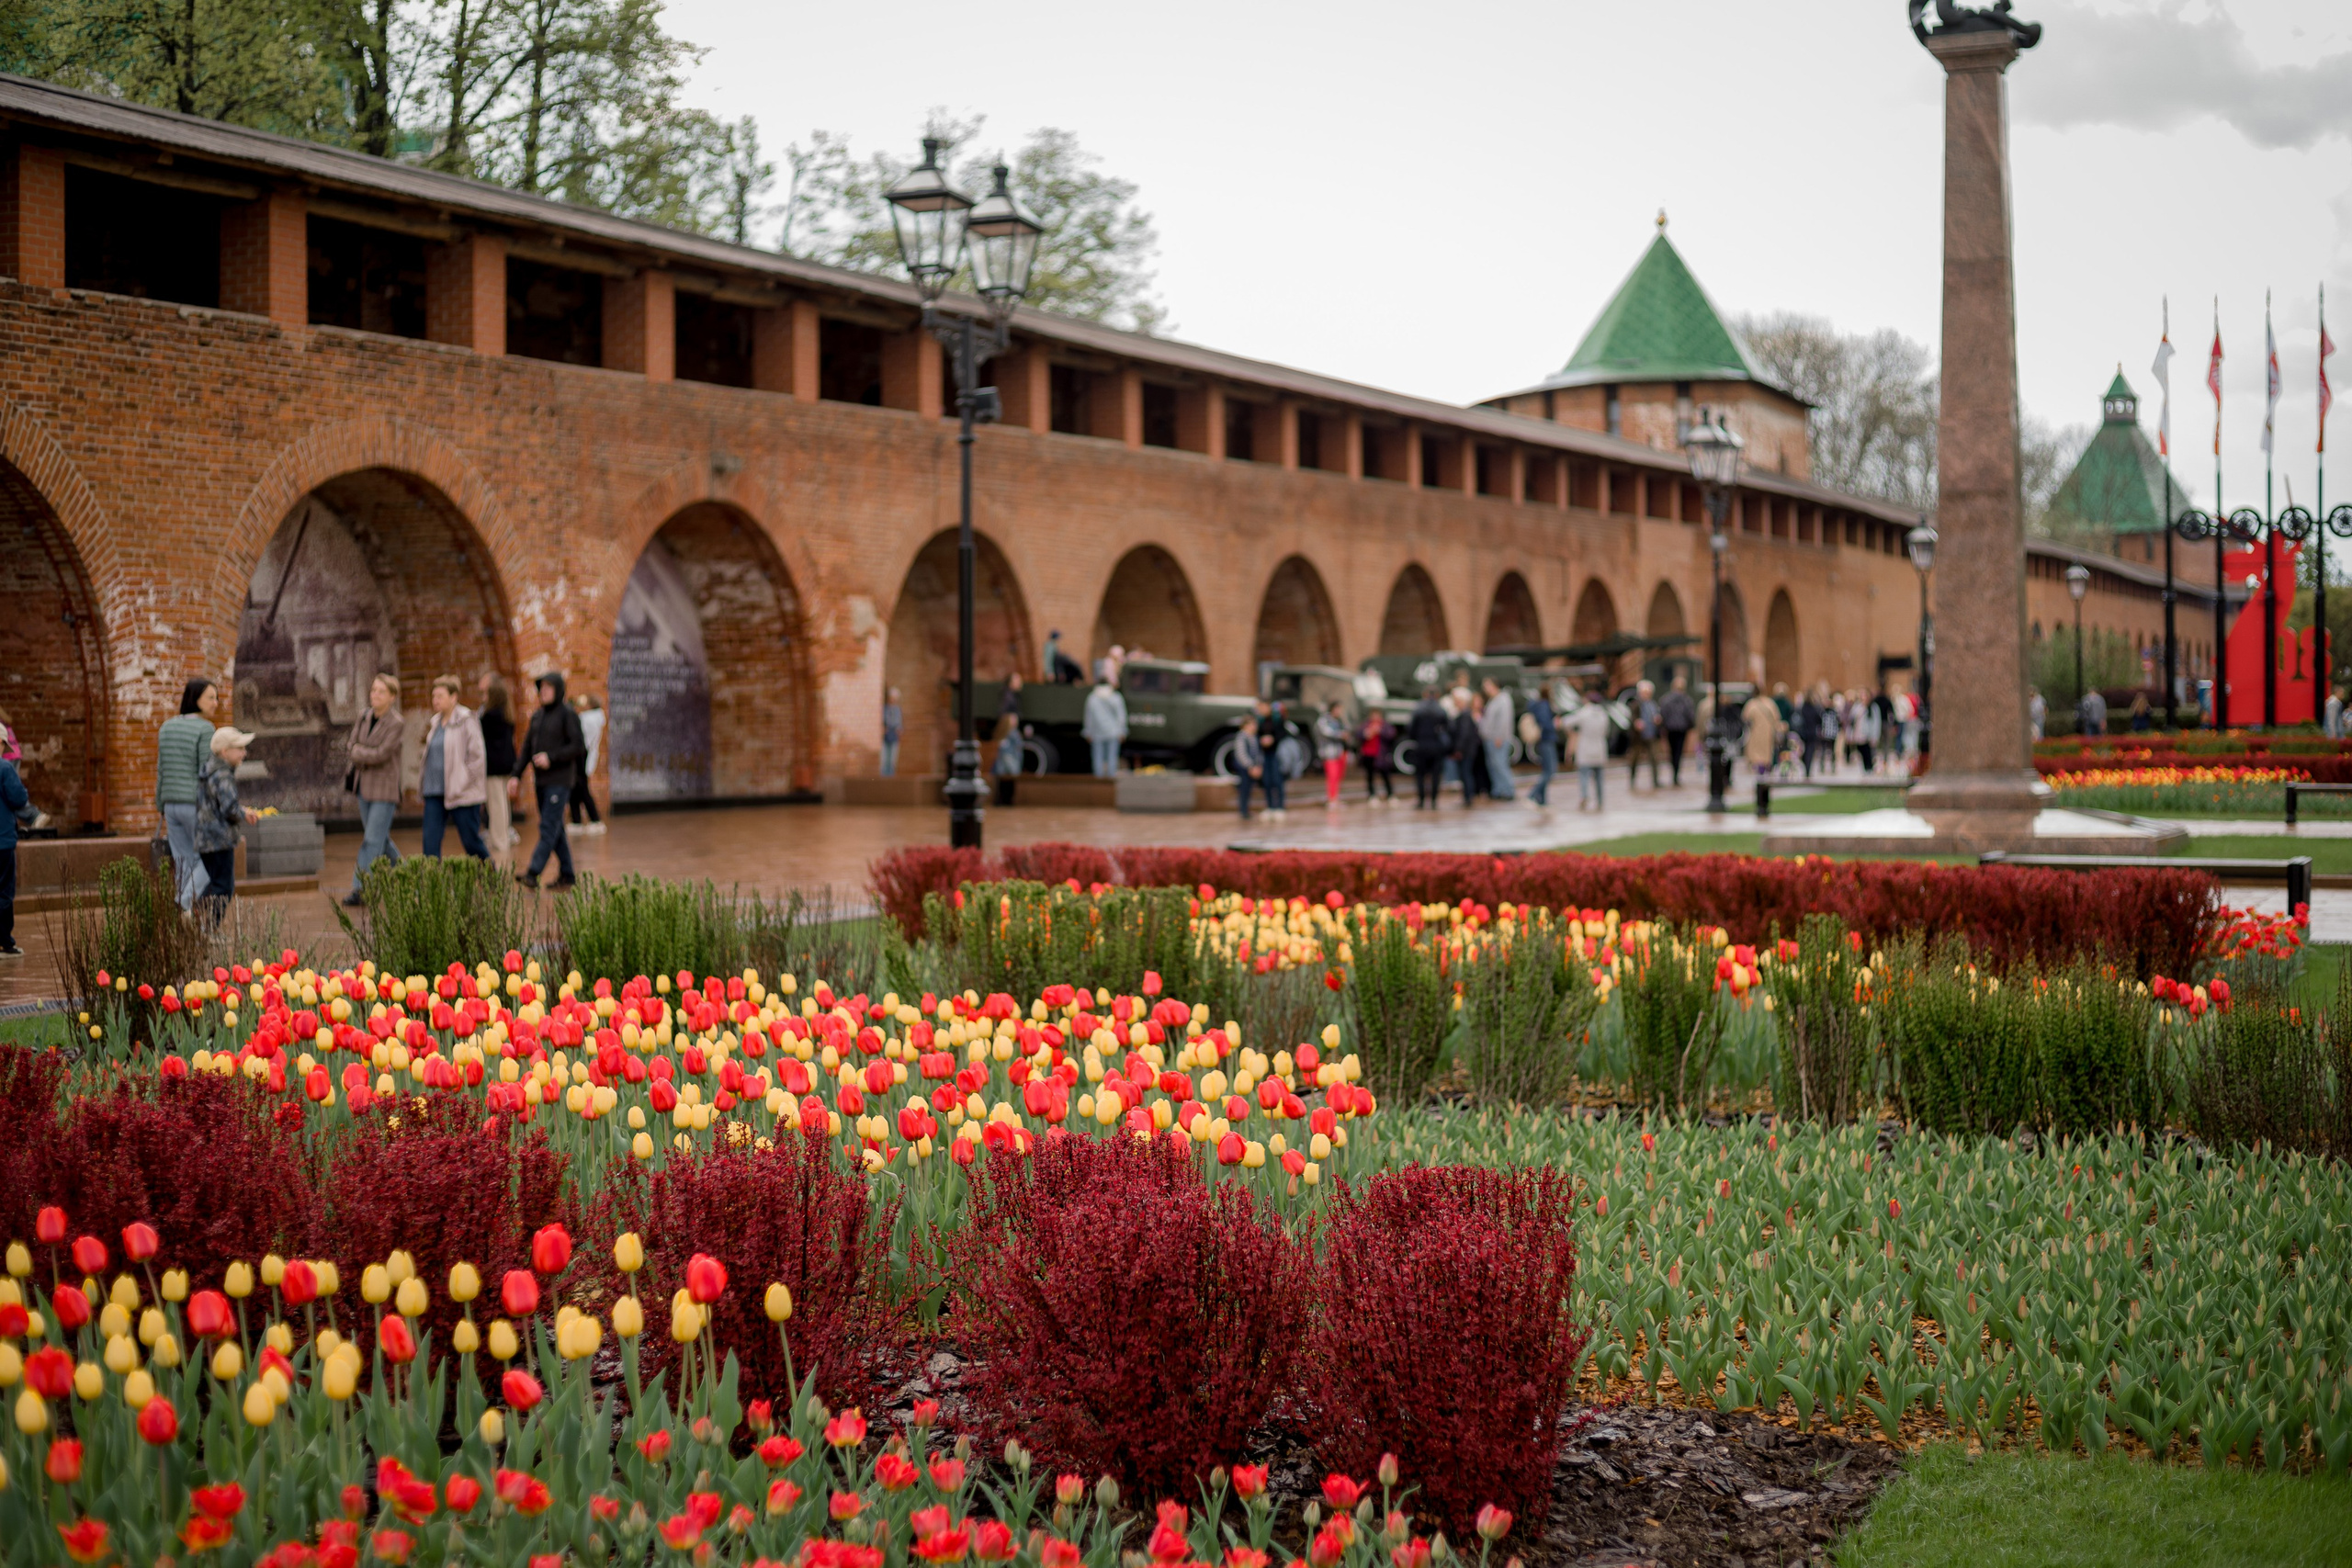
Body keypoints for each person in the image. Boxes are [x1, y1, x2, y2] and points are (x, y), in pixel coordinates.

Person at [515, 672, 584, 890]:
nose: (543, 691)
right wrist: (515, 775)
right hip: (541, 781)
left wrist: (551, 758)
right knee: (556, 828)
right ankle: (568, 874)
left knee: (548, 826)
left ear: (558, 690)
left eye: (548, 687)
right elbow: (527, 748)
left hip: (560, 780)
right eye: (541, 687)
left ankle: (533, 873)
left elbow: (577, 746)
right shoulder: (538, 716)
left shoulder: (567, 714)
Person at [156, 677, 220, 911]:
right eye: (210, 697)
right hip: (195, 805)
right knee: (213, 861)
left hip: (171, 805)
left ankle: (185, 921)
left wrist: (160, 803)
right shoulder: (205, 729)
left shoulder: (166, 727)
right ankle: (182, 904)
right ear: (196, 699)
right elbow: (206, 772)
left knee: (183, 864)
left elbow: (161, 769)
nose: (216, 703)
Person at [344, 672, 404, 907]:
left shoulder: (396, 722)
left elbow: (382, 754)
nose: (375, 695)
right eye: (373, 690)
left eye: (381, 691)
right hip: (363, 788)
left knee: (371, 840)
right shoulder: (364, 716)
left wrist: (359, 752)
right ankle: (407, 875)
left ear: (392, 697)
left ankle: (361, 888)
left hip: (384, 791)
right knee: (381, 840)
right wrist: (360, 751)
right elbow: (350, 745)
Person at [194, 726, 260, 924]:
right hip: (219, 840)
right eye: (239, 748)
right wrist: (243, 813)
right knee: (224, 888)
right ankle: (207, 925)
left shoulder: (209, 770)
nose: (244, 753)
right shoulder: (223, 775)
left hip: (205, 839)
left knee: (215, 884)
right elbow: (229, 808)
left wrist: (241, 810)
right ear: (224, 752)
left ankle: (197, 918)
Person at [421, 674, 490, 860]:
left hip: (462, 793)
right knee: (430, 842)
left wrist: (463, 781)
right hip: (434, 791)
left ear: (453, 697)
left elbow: (477, 758)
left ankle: (491, 875)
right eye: (433, 696)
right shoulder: (435, 722)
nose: (435, 700)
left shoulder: (467, 720)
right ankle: (432, 878)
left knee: (471, 842)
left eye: (440, 696)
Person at [0, 753, 40, 957]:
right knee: (4, 891)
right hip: (3, 840)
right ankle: (5, 942)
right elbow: (19, 798)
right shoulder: (5, 768)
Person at [478, 674, 517, 863]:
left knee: (496, 804)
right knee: (502, 802)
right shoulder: (506, 712)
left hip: (493, 765)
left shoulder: (490, 716)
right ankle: (502, 837)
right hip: (506, 762)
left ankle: (499, 840)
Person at [1567, 687, 1612, 810]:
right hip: (1599, 749)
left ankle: (1584, 796)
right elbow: (1606, 732)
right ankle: (1600, 800)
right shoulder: (1603, 715)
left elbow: (1568, 722)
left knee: (1584, 776)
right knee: (1599, 778)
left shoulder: (1583, 713)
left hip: (1585, 749)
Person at [569, 693, 605, 836]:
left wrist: (571, 707)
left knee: (582, 789)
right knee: (576, 789)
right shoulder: (596, 718)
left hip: (582, 756)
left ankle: (594, 819)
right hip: (585, 755)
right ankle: (576, 820)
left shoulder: (588, 719)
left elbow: (574, 726)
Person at [1408, 687, 1448, 810]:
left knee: (1420, 775)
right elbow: (1448, 728)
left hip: (1422, 745)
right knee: (1436, 775)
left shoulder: (1418, 709)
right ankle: (1434, 801)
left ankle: (1421, 800)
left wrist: (1417, 738)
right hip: (1436, 746)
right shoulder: (1441, 710)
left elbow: (1411, 729)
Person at [1082, 673, 1127, 778]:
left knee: (1098, 757)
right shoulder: (1115, 697)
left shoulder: (1092, 698)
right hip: (1113, 732)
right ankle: (1111, 779)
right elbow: (1121, 716)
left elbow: (1089, 717)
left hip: (1097, 732)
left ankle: (1098, 780)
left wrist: (1088, 732)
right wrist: (1122, 731)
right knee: (1112, 757)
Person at [1477, 679, 1515, 802]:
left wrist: (1500, 737)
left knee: (1500, 764)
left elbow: (1504, 720)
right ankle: (1498, 790)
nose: (1485, 689)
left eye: (1487, 686)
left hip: (1497, 739)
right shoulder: (1493, 700)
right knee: (1493, 765)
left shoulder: (1503, 700)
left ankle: (1508, 790)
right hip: (1489, 738)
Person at [1742, 685, 1782, 795]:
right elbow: (1777, 717)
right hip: (1768, 733)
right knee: (1766, 756)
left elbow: (1745, 718)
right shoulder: (1770, 703)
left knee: (1756, 757)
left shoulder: (1751, 704)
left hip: (1755, 734)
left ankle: (1760, 780)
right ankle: (1765, 779)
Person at [1235, 702, 1272, 820]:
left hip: (1255, 767)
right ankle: (1243, 811)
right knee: (1244, 788)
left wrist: (1259, 765)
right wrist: (1250, 766)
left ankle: (1253, 809)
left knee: (1252, 788)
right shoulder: (1242, 737)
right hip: (1245, 768)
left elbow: (1258, 753)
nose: (1254, 727)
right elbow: (1241, 754)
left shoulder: (1254, 738)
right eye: (1252, 724)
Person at [1659, 673, 1696, 786]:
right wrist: (1691, 726)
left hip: (1670, 729)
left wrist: (1664, 726)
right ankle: (1676, 772)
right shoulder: (1686, 700)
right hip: (1681, 729)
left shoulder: (1666, 699)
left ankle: (1674, 770)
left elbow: (1663, 714)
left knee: (1672, 751)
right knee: (1678, 751)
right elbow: (1690, 715)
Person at [1526, 682, 1557, 807]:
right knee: (1550, 771)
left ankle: (1542, 800)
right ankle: (1532, 795)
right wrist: (1553, 725)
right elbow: (1545, 722)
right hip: (1547, 739)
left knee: (1546, 770)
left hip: (1544, 740)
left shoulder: (1539, 704)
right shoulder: (1544, 705)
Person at [1315, 700, 1351, 806]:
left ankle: (1336, 797)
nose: (1340, 711)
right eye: (1338, 709)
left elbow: (1349, 730)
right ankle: (1331, 799)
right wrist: (1341, 734)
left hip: (1340, 752)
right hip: (1329, 753)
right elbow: (1326, 732)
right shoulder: (1324, 720)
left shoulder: (1340, 720)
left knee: (1339, 776)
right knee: (1332, 776)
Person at [1258, 702, 1291, 817]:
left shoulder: (1277, 719)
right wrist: (1262, 740)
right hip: (1265, 754)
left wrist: (1272, 739)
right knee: (1267, 781)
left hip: (1277, 754)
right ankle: (1270, 806)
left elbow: (1283, 734)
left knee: (1278, 780)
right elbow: (1258, 735)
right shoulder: (1260, 721)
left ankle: (1280, 806)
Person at [1628, 679, 1662, 791]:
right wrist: (1636, 723)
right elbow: (1631, 718)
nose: (1646, 695)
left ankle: (1656, 780)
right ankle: (1632, 779)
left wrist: (1657, 720)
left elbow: (1657, 715)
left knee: (1654, 758)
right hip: (1639, 737)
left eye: (1648, 692)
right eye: (1644, 692)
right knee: (1635, 758)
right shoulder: (1635, 704)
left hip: (1651, 734)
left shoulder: (1653, 704)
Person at [1358, 708, 1396, 805]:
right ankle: (1372, 796)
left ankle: (1390, 795)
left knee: (1385, 775)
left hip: (1381, 755)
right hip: (1369, 754)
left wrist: (1380, 731)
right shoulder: (1366, 725)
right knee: (1370, 776)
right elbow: (1358, 734)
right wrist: (1366, 733)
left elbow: (1392, 734)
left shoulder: (1385, 725)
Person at [1452, 694, 1484, 807]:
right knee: (1467, 773)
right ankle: (1468, 796)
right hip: (1469, 749)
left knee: (1466, 773)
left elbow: (1464, 734)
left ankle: (1468, 797)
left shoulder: (1465, 714)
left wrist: (1458, 749)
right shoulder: (1466, 714)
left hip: (1466, 750)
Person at [993, 709, 1026, 806]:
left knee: (1007, 782)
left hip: (1009, 762)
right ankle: (1004, 799)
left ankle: (1005, 799)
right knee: (1004, 781)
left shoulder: (1013, 734)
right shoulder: (1009, 733)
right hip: (1005, 762)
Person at [880, 687, 903, 777]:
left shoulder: (897, 710)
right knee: (884, 757)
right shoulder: (884, 709)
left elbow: (899, 723)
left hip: (894, 735)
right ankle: (884, 776)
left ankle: (891, 775)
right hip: (886, 735)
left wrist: (899, 729)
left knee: (892, 757)